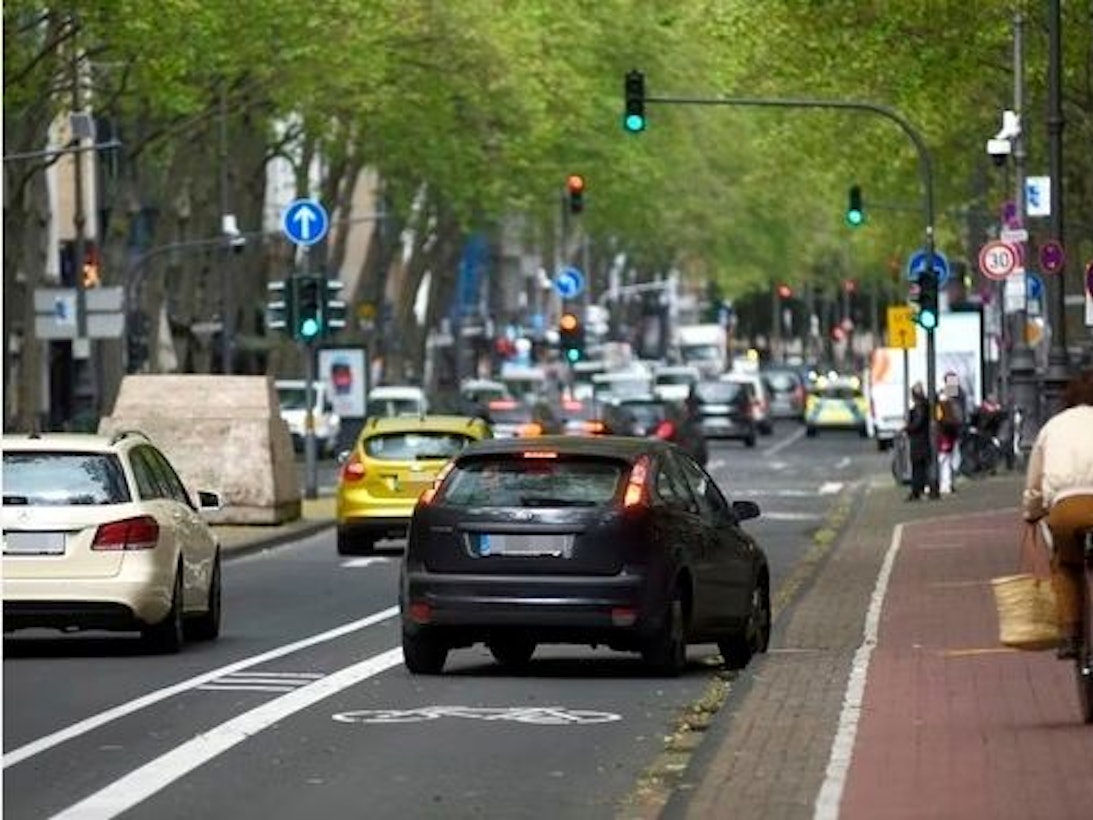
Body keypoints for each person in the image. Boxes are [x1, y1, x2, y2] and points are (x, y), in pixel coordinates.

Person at [1022, 369, 1093, 659]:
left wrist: (1031, 512)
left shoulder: (1052, 427)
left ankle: (1070, 634)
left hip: (1066, 509)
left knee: (1066, 566)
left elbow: (1035, 483)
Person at [905, 381, 931, 501]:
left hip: (919, 441)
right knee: (920, 467)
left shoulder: (920, 407)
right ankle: (918, 489)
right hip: (921, 440)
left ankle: (917, 490)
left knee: (918, 467)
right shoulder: (924, 405)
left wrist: (907, 428)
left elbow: (917, 423)